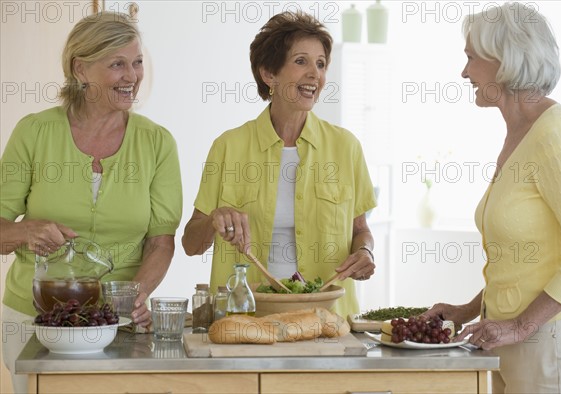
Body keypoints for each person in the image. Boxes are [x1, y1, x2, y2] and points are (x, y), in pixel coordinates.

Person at [0, 12, 182, 393]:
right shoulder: (34, 131)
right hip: (35, 320)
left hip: (120, 324)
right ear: (80, 69)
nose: (132, 76)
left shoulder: (157, 142)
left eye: (137, 63)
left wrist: (134, 296)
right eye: (117, 64)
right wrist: (25, 231)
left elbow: (161, 240)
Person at [422, 3, 561, 393]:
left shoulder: (557, 133)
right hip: (510, 345)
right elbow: (523, 260)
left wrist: (520, 326)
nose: (464, 72)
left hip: (552, 344)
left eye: (471, 57)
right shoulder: (520, 136)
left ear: (505, 60)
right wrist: (469, 309)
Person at [182, 11, 377, 317]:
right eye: (301, 61)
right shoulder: (228, 147)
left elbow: (360, 230)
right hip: (247, 319)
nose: (315, 73)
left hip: (328, 319)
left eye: (321, 63)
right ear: (269, 74)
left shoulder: (345, 147)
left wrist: (365, 251)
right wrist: (214, 220)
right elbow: (191, 244)